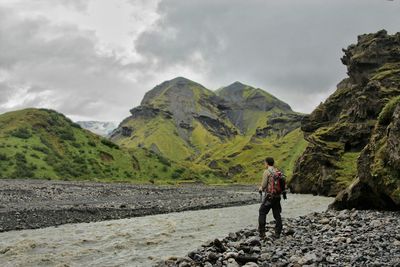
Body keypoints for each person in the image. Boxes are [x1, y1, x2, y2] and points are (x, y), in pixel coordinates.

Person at [258, 157, 286, 239]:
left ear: (267, 163)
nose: (264, 164)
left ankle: (262, 233)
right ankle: (278, 233)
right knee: (277, 213)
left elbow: (263, 185)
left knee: (262, 211)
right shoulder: (277, 171)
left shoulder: (267, 172)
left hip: (270, 196)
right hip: (277, 196)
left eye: (264, 163)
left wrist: (260, 188)